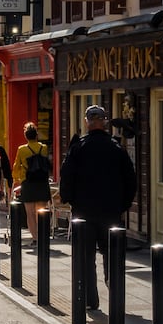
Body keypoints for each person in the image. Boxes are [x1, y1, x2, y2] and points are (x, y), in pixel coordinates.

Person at [59, 105, 138, 310]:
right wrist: (123, 204)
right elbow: (131, 179)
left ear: (87, 122)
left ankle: (90, 300)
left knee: (86, 256)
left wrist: (69, 199)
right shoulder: (116, 148)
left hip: (84, 211)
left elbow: (66, 176)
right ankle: (115, 294)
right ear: (104, 122)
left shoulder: (78, 148)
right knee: (112, 254)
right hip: (110, 210)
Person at [12, 122, 52, 247]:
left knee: (30, 213)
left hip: (28, 183)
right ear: (36, 135)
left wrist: (16, 179)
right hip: (42, 183)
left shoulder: (22, 149)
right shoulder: (44, 148)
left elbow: (16, 166)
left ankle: (35, 239)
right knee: (41, 211)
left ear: (26, 136)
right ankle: (43, 236)